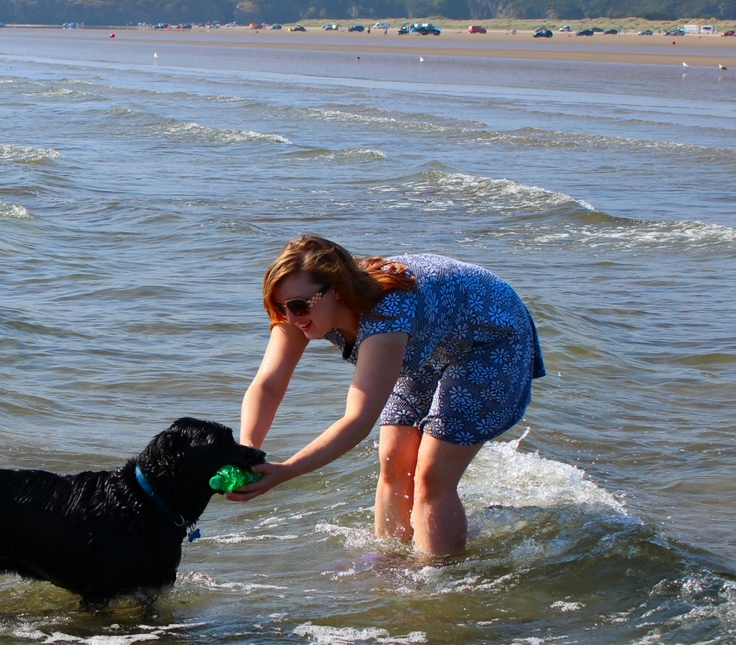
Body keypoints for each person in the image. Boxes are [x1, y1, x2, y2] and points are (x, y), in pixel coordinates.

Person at [230, 235, 545, 556]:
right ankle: (390, 560)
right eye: (280, 307)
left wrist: (287, 471)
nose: (291, 319)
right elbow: (268, 386)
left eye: (299, 306)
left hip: (491, 334)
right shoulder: (294, 311)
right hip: (429, 332)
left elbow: (358, 420)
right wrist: (247, 450)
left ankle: (438, 580)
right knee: (394, 461)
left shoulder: (387, 316)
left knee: (431, 478)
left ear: (336, 290)